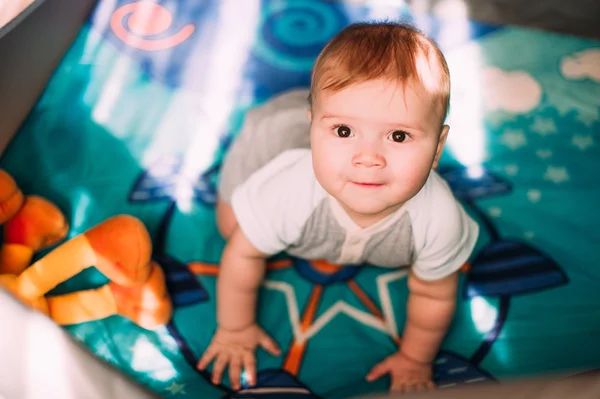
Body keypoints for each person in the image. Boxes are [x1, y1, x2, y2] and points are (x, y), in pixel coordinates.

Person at [197, 21, 479, 394]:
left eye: (398, 136)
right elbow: (242, 257)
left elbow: (434, 293)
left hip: (317, 121)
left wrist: (415, 359)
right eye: (344, 132)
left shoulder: (439, 219)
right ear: (315, 127)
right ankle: (301, 113)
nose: (368, 158)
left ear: (438, 146)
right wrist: (234, 329)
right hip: (277, 137)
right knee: (233, 228)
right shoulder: (287, 191)